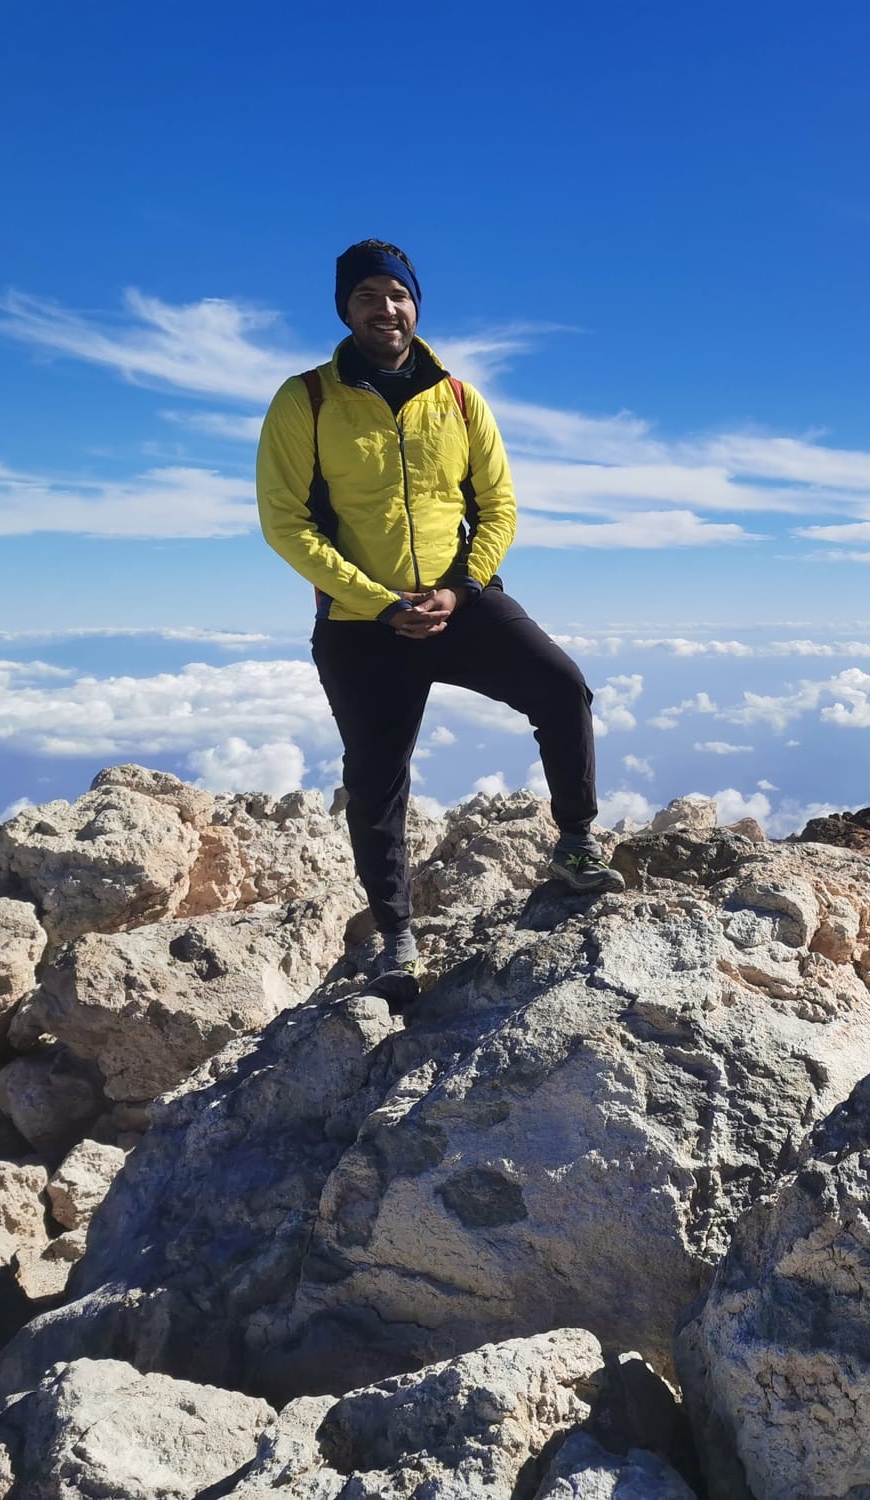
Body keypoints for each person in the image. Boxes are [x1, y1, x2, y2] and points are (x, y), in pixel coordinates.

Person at [256, 239, 623, 980]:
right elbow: (284, 521)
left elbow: (499, 506)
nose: (384, 308)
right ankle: (397, 937)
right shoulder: (307, 398)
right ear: (345, 309)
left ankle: (577, 844)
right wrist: (379, 603)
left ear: (414, 304)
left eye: (396, 293)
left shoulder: (458, 397)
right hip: (363, 623)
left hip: (461, 600)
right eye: (365, 295)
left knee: (561, 685)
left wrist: (460, 587)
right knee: (377, 779)